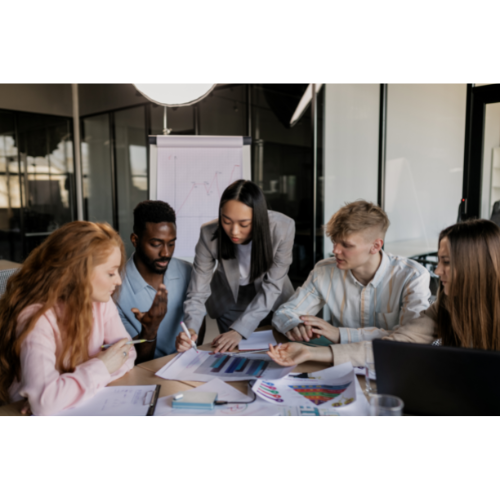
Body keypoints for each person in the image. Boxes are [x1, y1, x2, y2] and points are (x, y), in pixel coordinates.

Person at [267, 218, 500, 368]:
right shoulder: (446, 305)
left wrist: (339, 334)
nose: (438, 271)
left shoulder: (412, 275)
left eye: (446, 262)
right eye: (439, 261)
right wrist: (309, 352)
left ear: (476, 265)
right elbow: (397, 344)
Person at [0, 221, 136, 416]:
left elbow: (127, 353)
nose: (119, 280)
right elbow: (46, 403)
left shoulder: (101, 302)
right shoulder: (36, 317)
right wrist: (103, 366)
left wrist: (64, 392)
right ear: (79, 273)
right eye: (110, 273)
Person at [271, 200, 430, 345]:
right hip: (339, 363)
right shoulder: (324, 271)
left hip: (392, 363)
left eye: (346, 245)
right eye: (334, 241)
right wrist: (294, 324)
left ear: (375, 246)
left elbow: (412, 337)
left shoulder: (412, 276)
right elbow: (285, 312)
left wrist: (340, 334)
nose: (335, 251)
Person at [176, 179, 295, 353]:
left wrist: (240, 329)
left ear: (259, 218)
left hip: (271, 299)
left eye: (244, 224)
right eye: (226, 221)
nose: (234, 231)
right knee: (233, 355)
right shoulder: (209, 233)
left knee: (273, 354)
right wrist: (191, 328)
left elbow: (272, 286)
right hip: (228, 299)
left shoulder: (282, 228)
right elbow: (197, 290)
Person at [115, 201, 192, 361]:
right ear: (135, 240)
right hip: (145, 375)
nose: (166, 253)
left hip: (185, 366)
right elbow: (136, 360)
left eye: (171, 244)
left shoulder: (188, 272)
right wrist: (150, 329)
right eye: (156, 244)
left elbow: (198, 325)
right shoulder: (115, 287)